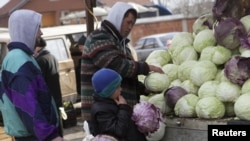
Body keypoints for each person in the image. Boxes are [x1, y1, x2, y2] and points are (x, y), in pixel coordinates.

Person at [81, 2, 164, 121]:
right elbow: (116, 65)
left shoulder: (120, 43)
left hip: (117, 114)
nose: (130, 27)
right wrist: (146, 68)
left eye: (133, 23)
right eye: (128, 22)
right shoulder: (99, 37)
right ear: (118, 18)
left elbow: (123, 79)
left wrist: (144, 88)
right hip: (102, 115)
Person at [0, 9, 68, 141]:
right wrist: (50, 135)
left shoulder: (21, 57)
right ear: (26, 29)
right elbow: (27, 104)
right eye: (38, 27)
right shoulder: (18, 60)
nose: (41, 32)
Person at [90, 68, 147, 141]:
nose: (121, 89)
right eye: (117, 87)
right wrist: (123, 108)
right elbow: (118, 131)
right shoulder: (101, 111)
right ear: (109, 91)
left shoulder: (112, 100)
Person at [34, 37, 64, 137]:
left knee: (52, 126)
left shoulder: (40, 60)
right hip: (57, 95)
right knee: (59, 125)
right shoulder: (52, 57)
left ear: (38, 48)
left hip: (49, 98)